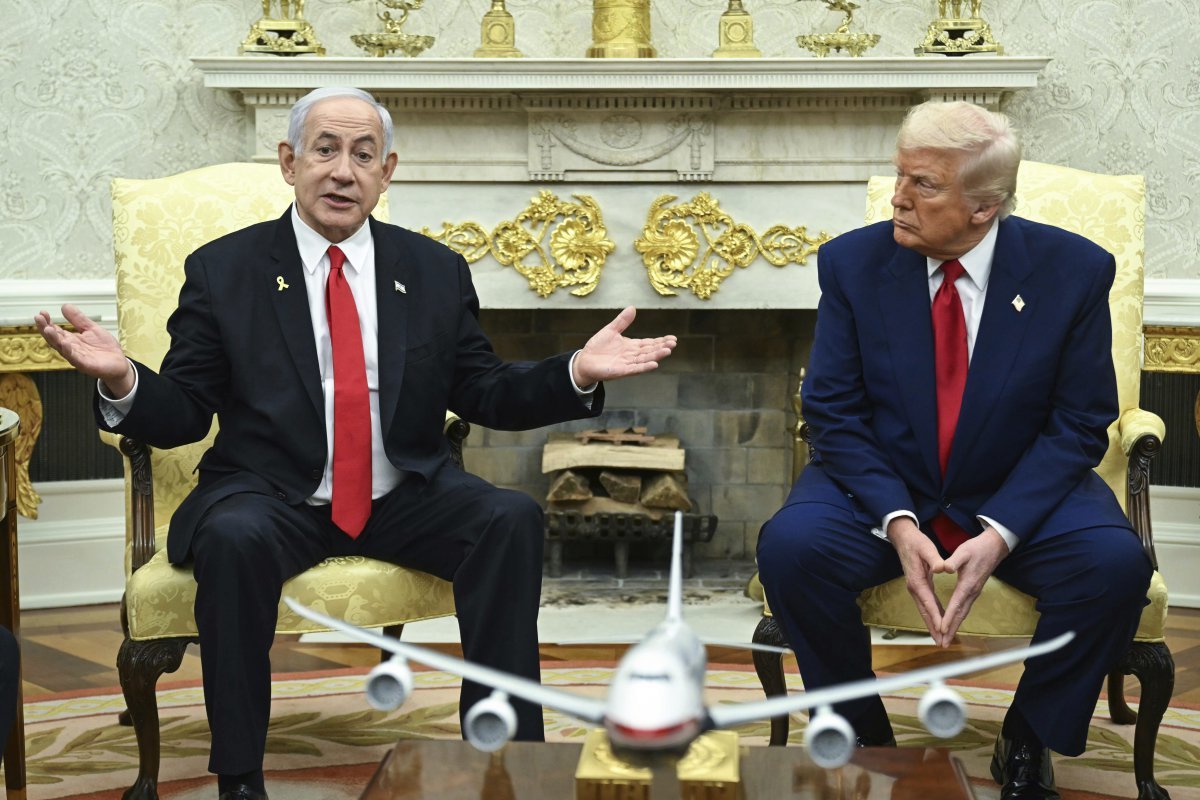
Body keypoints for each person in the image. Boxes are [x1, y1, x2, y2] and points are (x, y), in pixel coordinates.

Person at [36, 87, 676, 800]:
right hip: (272, 494)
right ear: (290, 163)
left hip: (402, 494)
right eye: (326, 150)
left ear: (386, 172)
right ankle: (240, 778)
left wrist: (575, 371)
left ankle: (506, 758)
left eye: (364, 155)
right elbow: (186, 411)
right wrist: (123, 377)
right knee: (233, 536)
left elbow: (484, 390)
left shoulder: (433, 270)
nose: (344, 171)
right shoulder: (225, 270)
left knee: (510, 517)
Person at [757, 101, 1150, 800]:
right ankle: (863, 736)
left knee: (1115, 567)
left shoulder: (1073, 271)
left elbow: (1080, 421)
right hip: (882, 483)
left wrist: (1001, 531)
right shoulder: (853, 263)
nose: (898, 198)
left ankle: (1027, 739)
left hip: (1016, 483)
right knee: (791, 548)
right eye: (900, 175)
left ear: (983, 208)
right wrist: (896, 519)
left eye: (924, 185)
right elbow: (833, 411)